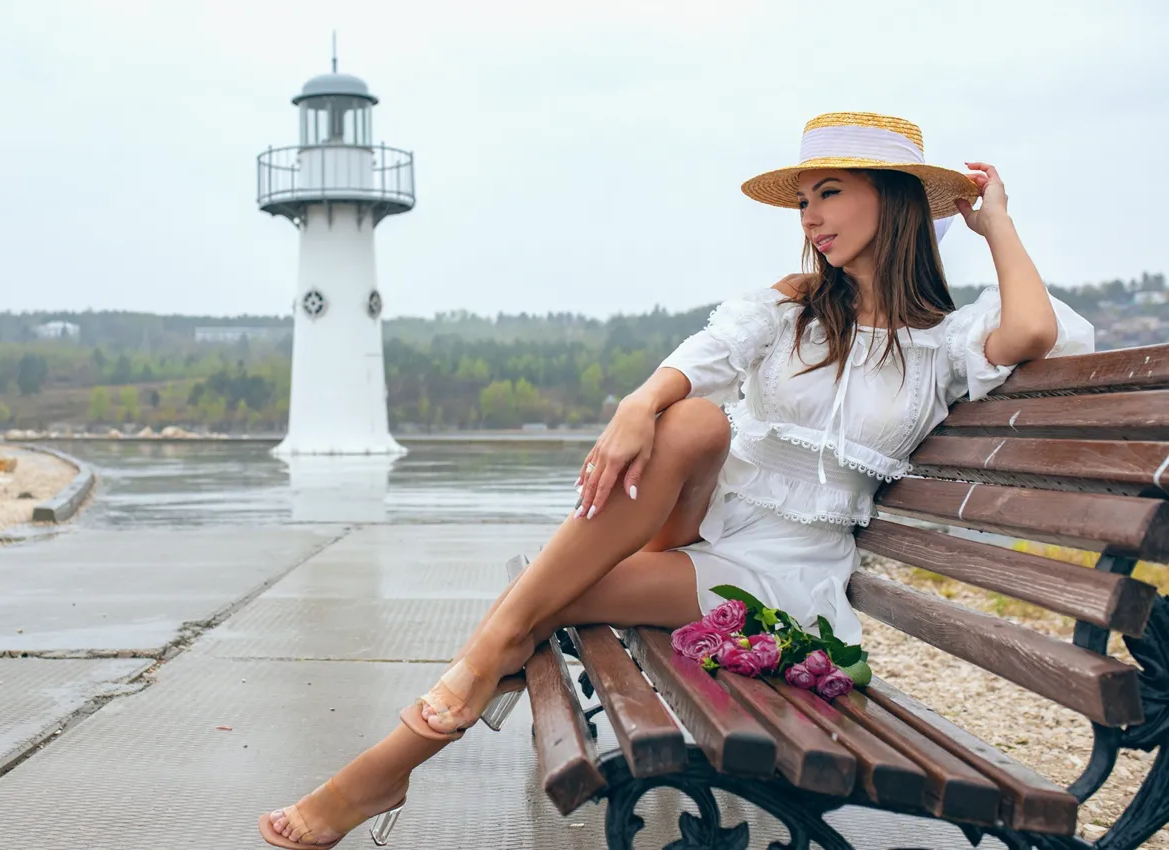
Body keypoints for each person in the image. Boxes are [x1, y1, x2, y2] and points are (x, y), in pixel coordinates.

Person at [258, 111, 1095, 848]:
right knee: (693, 419)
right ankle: (429, 721)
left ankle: (386, 767)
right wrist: (637, 405)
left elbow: (1033, 330)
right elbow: (710, 355)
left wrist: (994, 222)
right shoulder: (795, 308)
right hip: (703, 522)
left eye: (830, 193)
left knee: (540, 601)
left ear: (896, 198)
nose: (810, 217)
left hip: (782, 575)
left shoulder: (944, 343)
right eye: (804, 200)